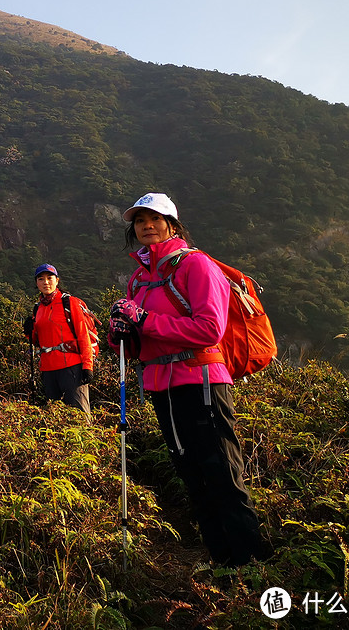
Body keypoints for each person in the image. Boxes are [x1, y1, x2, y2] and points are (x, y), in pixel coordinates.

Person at [108, 192, 269, 567]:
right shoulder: (138, 280)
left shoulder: (196, 266)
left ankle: (252, 563)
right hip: (160, 386)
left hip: (202, 381)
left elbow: (210, 328)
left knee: (222, 471)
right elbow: (142, 344)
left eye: (156, 218)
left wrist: (144, 320)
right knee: (191, 475)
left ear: (172, 224)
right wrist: (124, 334)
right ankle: (221, 559)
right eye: (140, 220)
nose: (147, 225)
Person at [22, 264, 95, 415]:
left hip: (71, 367)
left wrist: (88, 366)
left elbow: (83, 336)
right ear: (36, 283)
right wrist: (29, 331)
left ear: (57, 280)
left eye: (50, 278)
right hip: (48, 370)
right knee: (54, 417)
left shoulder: (70, 303)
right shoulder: (38, 308)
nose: (46, 282)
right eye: (41, 279)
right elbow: (37, 341)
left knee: (79, 415)